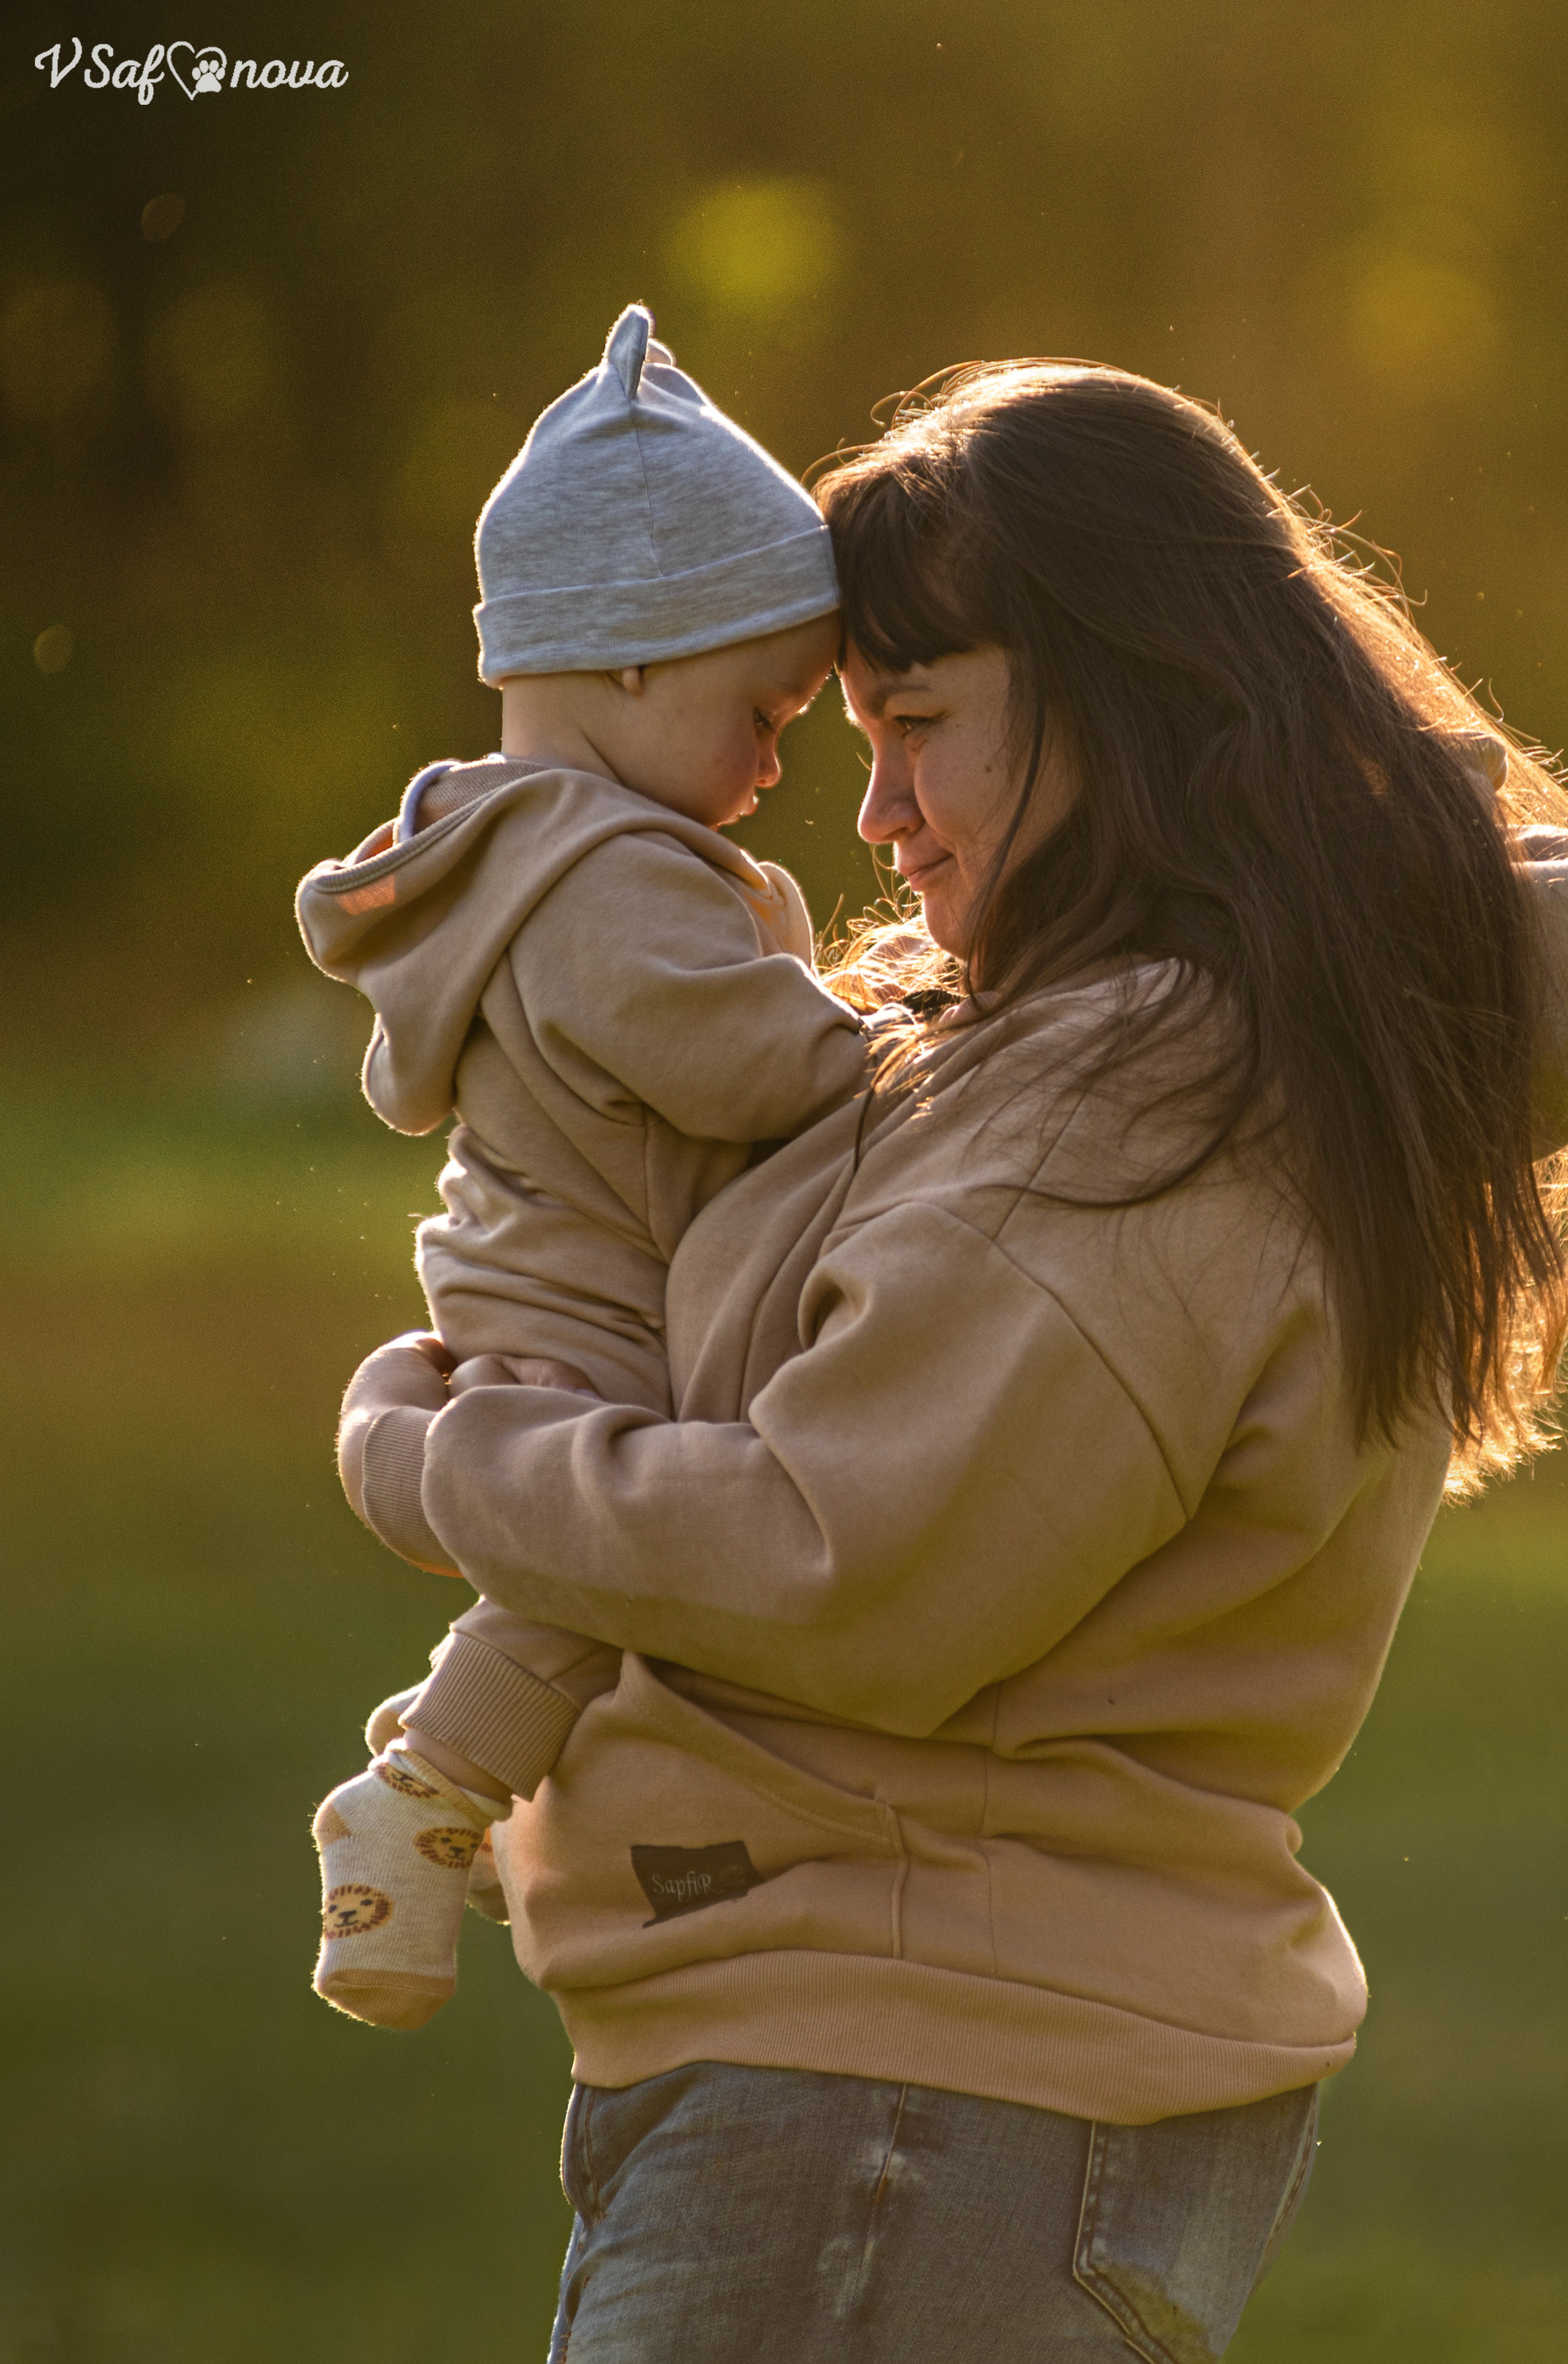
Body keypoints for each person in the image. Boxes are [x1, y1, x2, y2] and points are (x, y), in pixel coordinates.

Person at [335, 361, 1568, 2361]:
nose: (873, 814)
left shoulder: (1138, 1102)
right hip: (890, 2092)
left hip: (907, 2099)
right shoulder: (1091, 1045)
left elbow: (835, 1559)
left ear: (1121, 708)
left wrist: (434, 1448)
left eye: (915, 728)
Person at [295, 303, 867, 2029]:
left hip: (521, 1269)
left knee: (573, 1572)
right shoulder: (612, 880)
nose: (777, 763)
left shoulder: (502, 845)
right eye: (761, 713)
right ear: (631, 658)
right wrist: (890, 1046)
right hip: (581, 1303)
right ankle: (415, 1805)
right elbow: (743, 1059)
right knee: (594, 1560)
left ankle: (446, 1776)